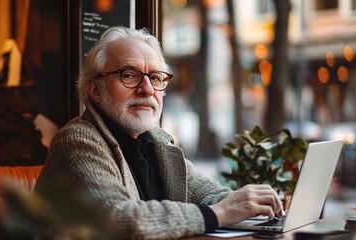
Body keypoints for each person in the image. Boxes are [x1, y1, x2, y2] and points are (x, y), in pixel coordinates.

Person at [35, 26, 284, 239]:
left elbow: (213, 196)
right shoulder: (77, 140)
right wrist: (220, 213)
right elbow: (121, 221)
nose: (146, 89)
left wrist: (255, 204)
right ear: (95, 89)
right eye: (129, 75)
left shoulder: (157, 141)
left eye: (155, 77)